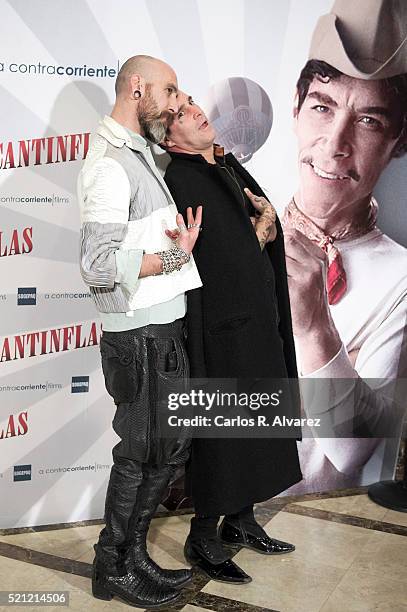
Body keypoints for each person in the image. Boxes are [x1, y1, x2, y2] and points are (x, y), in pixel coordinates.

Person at [162, 92, 302, 583]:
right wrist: (260, 230)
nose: (196, 111)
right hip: (220, 332)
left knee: (258, 430)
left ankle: (241, 522)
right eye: (180, 113)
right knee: (222, 435)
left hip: (256, 323)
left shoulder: (224, 164)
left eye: (193, 103)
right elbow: (213, 258)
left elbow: (254, 231)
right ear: (167, 135)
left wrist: (263, 228)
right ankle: (203, 537)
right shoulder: (179, 179)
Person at [78, 55, 203, 608]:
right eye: (168, 89)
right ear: (136, 87)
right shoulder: (108, 164)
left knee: (167, 451)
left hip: (161, 330)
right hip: (139, 338)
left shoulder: (141, 156)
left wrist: (176, 258)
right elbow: (98, 265)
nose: (176, 100)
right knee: (142, 453)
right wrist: (172, 257)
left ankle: (133, 557)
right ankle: (113, 566)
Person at [280, 0, 407, 495]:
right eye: (322, 107)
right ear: (295, 108)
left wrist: (314, 325)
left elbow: (353, 450)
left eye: (370, 121)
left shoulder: (401, 278)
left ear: (399, 141)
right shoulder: (232, 224)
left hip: (308, 536)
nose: (335, 144)